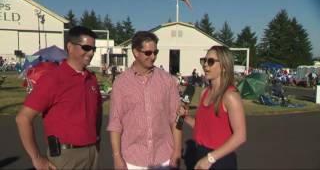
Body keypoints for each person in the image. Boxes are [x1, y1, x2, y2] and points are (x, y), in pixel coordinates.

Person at [16, 26, 102, 170]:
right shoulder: (53, 79)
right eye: (86, 47)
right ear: (70, 47)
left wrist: (97, 140)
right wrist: (37, 158)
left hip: (92, 153)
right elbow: (23, 118)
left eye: (94, 49)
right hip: (65, 157)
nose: (91, 53)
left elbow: (97, 113)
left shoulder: (91, 78)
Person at [107, 31, 182, 169]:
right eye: (148, 53)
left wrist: (177, 151)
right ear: (135, 52)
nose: (153, 56)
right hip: (132, 160)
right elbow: (115, 122)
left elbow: (176, 119)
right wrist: (117, 157)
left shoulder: (167, 80)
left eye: (155, 52)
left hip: (163, 158)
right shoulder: (121, 83)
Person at [178, 45, 246, 169]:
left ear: (224, 67)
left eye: (210, 62)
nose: (205, 65)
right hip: (202, 154)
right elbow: (201, 127)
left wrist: (210, 158)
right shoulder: (204, 93)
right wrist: (185, 117)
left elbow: (240, 136)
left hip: (221, 158)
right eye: (204, 60)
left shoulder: (230, 96)